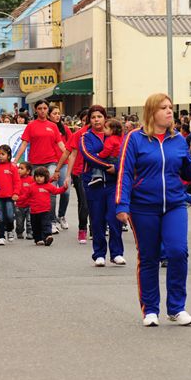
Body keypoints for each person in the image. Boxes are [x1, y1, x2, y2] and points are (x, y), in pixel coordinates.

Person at [116, 93, 191, 326]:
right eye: (164, 107)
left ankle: (177, 308)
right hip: (143, 207)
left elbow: (186, 172)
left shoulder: (178, 139)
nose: (170, 111)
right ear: (152, 112)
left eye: (170, 107)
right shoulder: (134, 139)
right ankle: (150, 310)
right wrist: (122, 204)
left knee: (178, 252)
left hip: (174, 204)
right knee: (149, 257)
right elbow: (125, 173)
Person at [80, 105, 125, 266]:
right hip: (93, 184)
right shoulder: (86, 137)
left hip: (113, 183)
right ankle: (99, 254)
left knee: (114, 218)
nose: (96, 120)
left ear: (105, 118)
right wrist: (108, 167)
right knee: (97, 220)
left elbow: (124, 155)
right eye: (93, 117)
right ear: (89, 120)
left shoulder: (116, 134)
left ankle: (117, 253)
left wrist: (117, 169)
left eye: (99, 116)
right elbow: (89, 156)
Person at [13, 100, 67, 235]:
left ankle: (52, 221)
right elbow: (24, 144)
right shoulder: (31, 125)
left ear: (47, 110)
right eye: (40, 108)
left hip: (51, 162)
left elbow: (61, 144)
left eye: (45, 108)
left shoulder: (53, 126)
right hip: (35, 164)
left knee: (51, 190)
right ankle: (35, 223)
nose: (43, 111)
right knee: (34, 192)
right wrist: (15, 161)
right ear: (35, 110)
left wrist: (69, 154)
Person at [55, 109, 90, 243]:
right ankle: (82, 229)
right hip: (79, 172)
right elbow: (68, 153)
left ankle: (95, 228)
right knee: (84, 202)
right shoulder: (79, 134)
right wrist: (61, 171)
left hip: (97, 172)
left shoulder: (103, 133)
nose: (89, 122)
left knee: (95, 202)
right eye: (86, 120)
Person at [26, 166, 67, 246]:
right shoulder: (31, 186)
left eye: (41, 176)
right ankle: (38, 239)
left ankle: (48, 236)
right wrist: (18, 199)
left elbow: (56, 191)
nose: (38, 178)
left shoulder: (48, 186)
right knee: (36, 226)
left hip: (45, 210)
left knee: (46, 224)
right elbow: (26, 196)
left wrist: (64, 188)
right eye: (37, 176)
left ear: (45, 177)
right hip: (34, 211)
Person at [48, 106, 72, 230]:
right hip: (51, 163)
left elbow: (71, 145)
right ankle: (52, 220)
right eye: (54, 113)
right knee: (52, 192)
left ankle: (61, 215)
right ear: (49, 115)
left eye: (59, 113)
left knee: (66, 191)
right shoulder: (47, 128)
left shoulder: (65, 129)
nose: (57, 116)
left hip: (64, 164)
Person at [0, 145, 21, 245]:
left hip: (10, 196)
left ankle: (10, 230)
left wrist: (16, 193)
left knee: (9, 215)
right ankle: (1, 237)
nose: (0, 156)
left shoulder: (12, 167)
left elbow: (17, 182)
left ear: (8, 156)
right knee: (0, 216)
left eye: (3, 154)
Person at [88, 118, 122, 187]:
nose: (103, 129)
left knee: (97, 161)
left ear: (112, 130)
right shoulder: (120, 137)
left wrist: (100, 155)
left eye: (106, 128)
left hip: (111, 158)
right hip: (119, 158)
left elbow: (107, 151)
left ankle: (97, 176)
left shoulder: (110, 139)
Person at [15, 162, 34, 240]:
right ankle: (19, 232)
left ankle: (30, 233)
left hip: (30, 204)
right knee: (19, 222)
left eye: (22, 168)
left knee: (30, 220)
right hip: (19, 205)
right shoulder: (16, 179)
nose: (19, 170)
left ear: (28, 171)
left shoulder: (32, 179)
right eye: (18, 168)